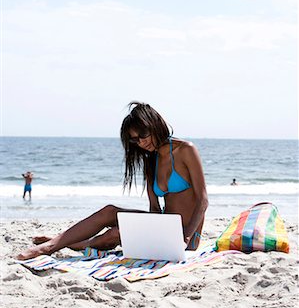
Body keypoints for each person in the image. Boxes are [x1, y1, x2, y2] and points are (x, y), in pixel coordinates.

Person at [17, 102, 208, 260]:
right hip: (165, 230)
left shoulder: (185, 150)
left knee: (115, 233)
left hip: (186, 237)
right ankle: (55, 244)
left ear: (155, 124)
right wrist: (151, 230)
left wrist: (186, 236)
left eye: (143, 135)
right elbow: (155, 208)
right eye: (135, 140)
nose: (141, 143)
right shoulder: (151, 160)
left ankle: (66, 244)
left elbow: (203, 200)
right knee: (110, 212)